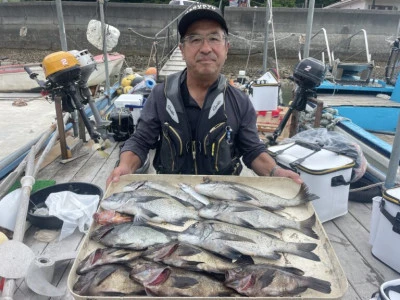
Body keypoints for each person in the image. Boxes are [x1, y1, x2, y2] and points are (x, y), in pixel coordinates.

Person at [106, 4, 301, 186]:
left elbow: (253, 151)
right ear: (182, 50)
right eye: (195, 39)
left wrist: (275, 171)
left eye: (214, 38)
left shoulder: (240, 101)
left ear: (226, 48)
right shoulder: (160, 95)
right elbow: (140, 141)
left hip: (222, 196)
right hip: (172, 192)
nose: (206, 48)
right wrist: (124, 167)